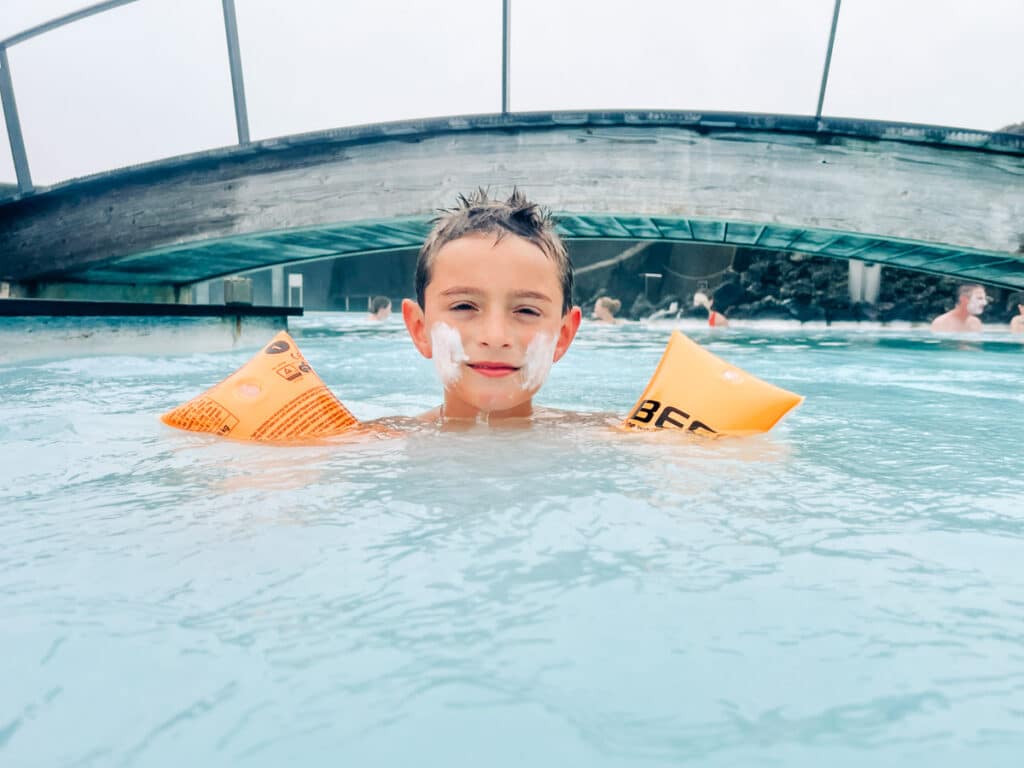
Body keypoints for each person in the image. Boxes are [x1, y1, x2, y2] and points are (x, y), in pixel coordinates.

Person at [401, 189, 582, 423]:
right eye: (464, 306)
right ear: (419, 329)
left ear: (563, 336)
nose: (495, 337)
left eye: (526, 310)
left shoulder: (617, 437)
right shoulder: (369, 443)